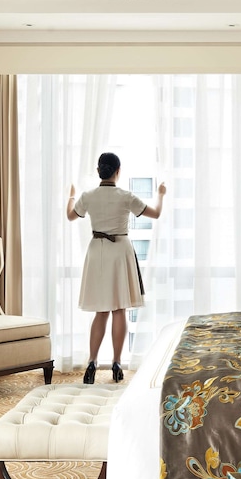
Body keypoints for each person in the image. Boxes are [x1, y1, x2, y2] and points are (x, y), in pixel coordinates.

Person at [67, 152, 166, 384]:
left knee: (100, 311)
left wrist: (71, 195)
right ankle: (117, 363)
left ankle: (92, 361)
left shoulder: (88, 196)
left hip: (97, 250)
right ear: (118, 171)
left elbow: (71, 216)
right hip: (120, 250)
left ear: (98, 171)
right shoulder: (125, 196)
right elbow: (156, 213)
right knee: (119, 309)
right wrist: (161, 194)